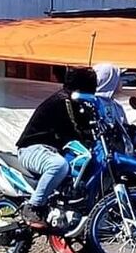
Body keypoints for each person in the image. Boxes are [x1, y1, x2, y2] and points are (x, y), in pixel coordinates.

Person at [15, 66, 98, 228]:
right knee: (59, 165)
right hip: (32, 148)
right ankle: (34, 206)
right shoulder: (64, 100)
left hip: (53, 150)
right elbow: (76, 129)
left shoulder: (79, 101)